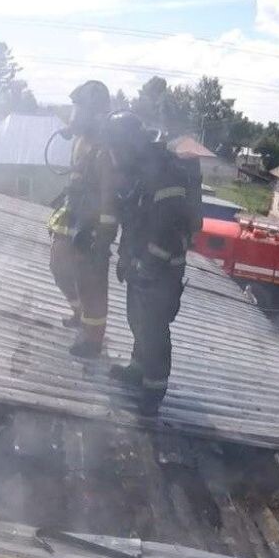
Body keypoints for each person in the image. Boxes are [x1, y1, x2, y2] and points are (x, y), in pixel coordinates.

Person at [105, 111, 203, 416]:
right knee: (137, 317)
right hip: (139, 261)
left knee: (154, 327)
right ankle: (138, 368)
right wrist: (126, 257)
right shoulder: (138, 172)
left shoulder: (163, 173)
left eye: (118, 148)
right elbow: (133, 218)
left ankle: (154, 389)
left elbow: (169, 228)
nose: (116, 156)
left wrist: (148, 264)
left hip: (162, 267)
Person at [47, 80, 118, 357]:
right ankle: (78, 312)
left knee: (92, 282)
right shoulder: (81, 139)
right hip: (73, 210)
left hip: (93, 220)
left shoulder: (106, 149)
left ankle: (93, 341)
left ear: (95, 113)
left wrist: (104, 235)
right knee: (58, 264)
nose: (75, 116)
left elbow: (109, 195)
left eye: (81, 109)